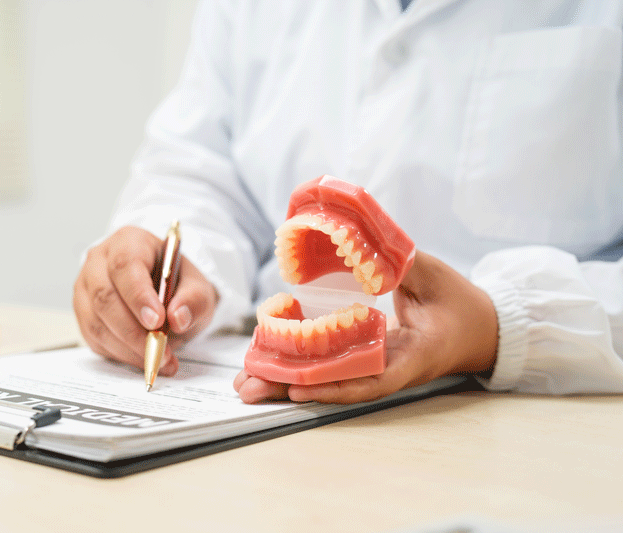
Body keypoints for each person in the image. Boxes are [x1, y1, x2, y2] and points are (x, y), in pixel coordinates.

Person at [73, 0, 623, 404]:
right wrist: (172, 266)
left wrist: (499, 322)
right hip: (267, 420)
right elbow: (199, 170)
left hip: (528, 422)